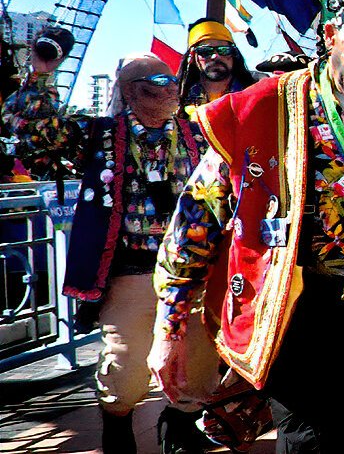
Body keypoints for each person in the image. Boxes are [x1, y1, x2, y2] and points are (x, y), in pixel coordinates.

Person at [150, 0, 344, 452]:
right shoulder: (262, 107)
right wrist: (169, 326)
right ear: (331, 36)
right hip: (297, 309)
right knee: (309, 439)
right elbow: (197, 216)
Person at [36, 53, 215, 453]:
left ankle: (181, 423)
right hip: (131, 270)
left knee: (198, 362)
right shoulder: (99, 132)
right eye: (158, 79)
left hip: (191, 270)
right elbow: (35, 132)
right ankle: (117, 425)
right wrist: (43, 72)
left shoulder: (197, 131)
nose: (171, 86)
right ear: (132, 90)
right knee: (127, 366)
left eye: (172, 79)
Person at [1, 26, 77, 182]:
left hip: (29, 173)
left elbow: (29, 127)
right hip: (22, 170)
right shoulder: (24, 88)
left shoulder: (45, 93)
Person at [176, 19, 257, 111]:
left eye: (224, 50)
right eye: (205, 51)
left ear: (234, 54)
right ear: (193, 57)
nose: (215, 56)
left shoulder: (254, 92)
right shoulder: (177, 98)